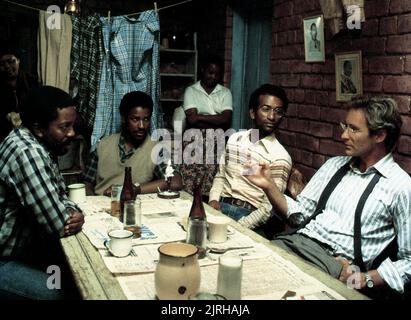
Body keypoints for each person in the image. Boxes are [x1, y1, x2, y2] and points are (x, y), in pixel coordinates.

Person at [244, 96, 411, 297]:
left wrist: (362, 279)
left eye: (353, 129)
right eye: (345, 126)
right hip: (293, 243)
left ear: (380, 135)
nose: (343, 135)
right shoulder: (334, 165)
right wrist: (269, 186)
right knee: (240, 276)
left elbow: (409, 262)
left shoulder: (400, 186)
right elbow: (299, 216)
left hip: (333, 265)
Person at [0, 85, 85, 299]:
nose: (72, 133)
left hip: (21, 251)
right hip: (4, 258)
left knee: (66, 272)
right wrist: (74, 213)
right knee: (55, 292)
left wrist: (69, 207)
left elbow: (61, 195)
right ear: (39, 128)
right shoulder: (28, 153)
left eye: (73, 125)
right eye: (64, 127)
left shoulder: (37, 142)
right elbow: (59, 223)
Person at [208, 84, 292, 235]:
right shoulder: (235, 139)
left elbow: (269, 208)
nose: (272, 117)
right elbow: (220, 175)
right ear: (253, 113)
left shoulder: (280, 156)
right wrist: (213, 201)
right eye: (266, 109)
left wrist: (240, 227)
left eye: (278, 112)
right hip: (220, 207)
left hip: (249, 217)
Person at [83, 91, 182, 196]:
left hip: (135, 207)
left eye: (146, 119)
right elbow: (87, 183)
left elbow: (175, 182)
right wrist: (92, 204)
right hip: (100, 207)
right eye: (135, 119)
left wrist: (132, 190)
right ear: (123, 118)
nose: (142, 126)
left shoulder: (156, 149)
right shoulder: (103, 145)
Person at [179, 54, 233, 198]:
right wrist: (216, 118)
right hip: (193, 138)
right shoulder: (191, 90)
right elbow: (191, 120)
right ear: (203, 70)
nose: (213, 77)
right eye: (210, 72)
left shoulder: (225, 92)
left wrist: (199, 117)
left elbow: (226, 119)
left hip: (217, 139)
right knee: (189, 181)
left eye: (217, 74)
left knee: (212, 179)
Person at [0, 50, 39, 141]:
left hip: (31, 134)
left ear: (18, 60)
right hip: (6, 137)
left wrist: (22, 116)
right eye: (2, 64)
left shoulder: (32, 81)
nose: (7, 66)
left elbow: (38, 109)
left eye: (11, 61)